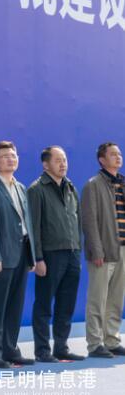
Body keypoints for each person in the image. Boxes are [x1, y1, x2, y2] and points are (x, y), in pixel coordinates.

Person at [0, 141, 35, 368]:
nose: (11, 159)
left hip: (21, 253)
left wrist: (31, 256)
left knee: (15, 305)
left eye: (14, 155)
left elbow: (26, 223)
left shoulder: (20, 187)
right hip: (1, 256)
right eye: (5, 156)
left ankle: (10, 349)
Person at [28, 146, 85, 362]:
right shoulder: (37, 189)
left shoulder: (71, 188)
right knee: (44, 304)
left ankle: (61, 347)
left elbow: (77, 222)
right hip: (50, 255)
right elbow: (34, 227)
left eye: (65, 160)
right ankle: (42, 350)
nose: (63, 164)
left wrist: (77, 249)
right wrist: (38, 258)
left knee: (66, 303)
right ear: (45, 165)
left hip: (72, 254)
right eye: (58, 160)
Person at [82, 142, 125, 358]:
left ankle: (111, 339)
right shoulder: (93, 185)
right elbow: (89, 221)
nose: (118, 157)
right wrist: (96, 250)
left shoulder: (122, 183)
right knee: (97, 299)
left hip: (122, 250)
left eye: (119, 154)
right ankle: (95, 343)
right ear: (101, 159)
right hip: (104, 251)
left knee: (116, 298)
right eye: (113, 154)